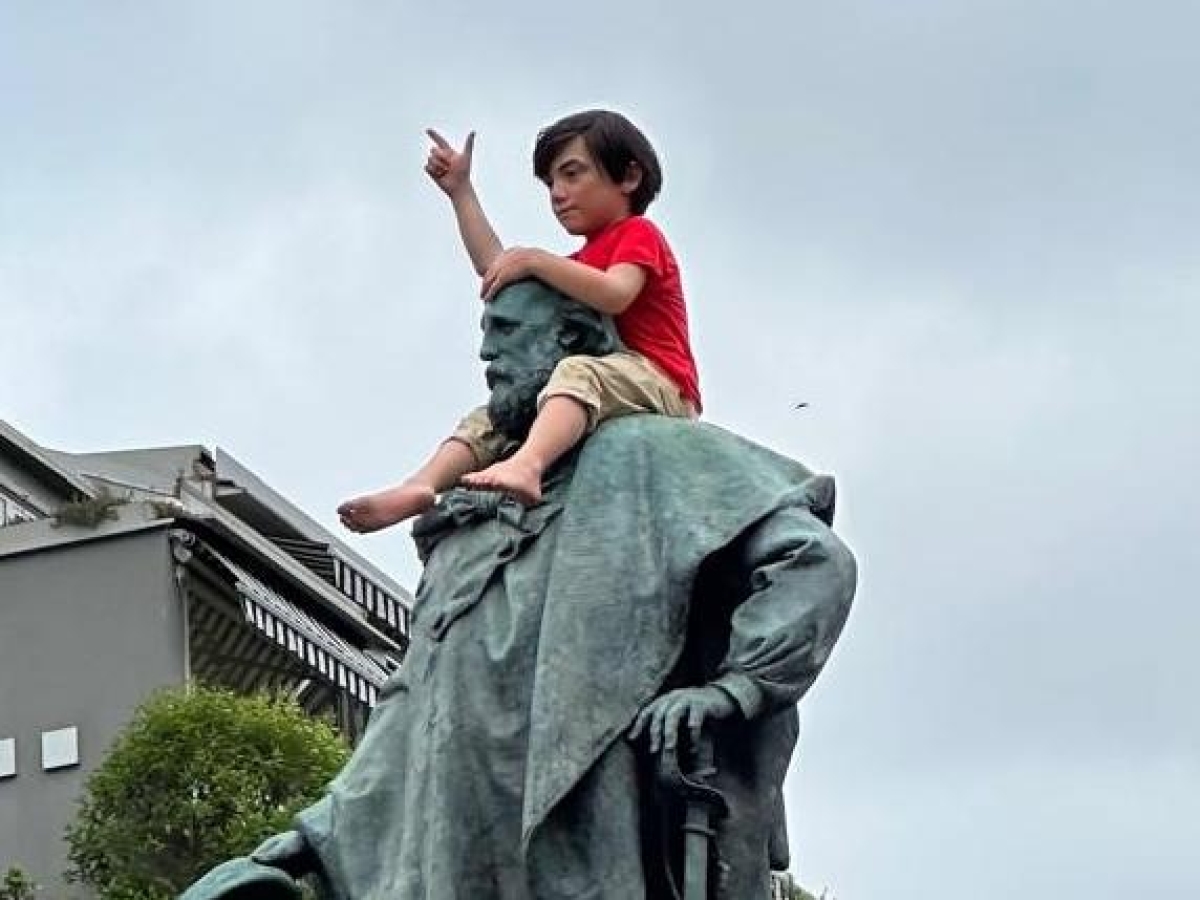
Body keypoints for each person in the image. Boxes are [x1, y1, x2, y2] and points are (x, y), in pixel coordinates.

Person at [179, 280, 857, 900]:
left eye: (505, 331)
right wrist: (316, 832)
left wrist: (735, 688)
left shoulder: (648, 455)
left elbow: (811, 559)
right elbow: (412, 703)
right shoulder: (468, 530)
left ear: (571, 341)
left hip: (588, 840)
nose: (486, 351)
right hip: (457, 856)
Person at [338, 109, 701, 534]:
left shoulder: (638, 234)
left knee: (576, 371)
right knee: (493, 416)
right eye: (550, 184)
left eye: (571, 175)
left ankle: (527, 464)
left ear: (628, 177)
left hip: (660, 382)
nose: (558, 194)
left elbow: (616, 294)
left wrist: (535, 259)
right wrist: (460, 192)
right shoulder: (576, 264)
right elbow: (498, 270)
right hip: (605, 378)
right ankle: (419, 486)